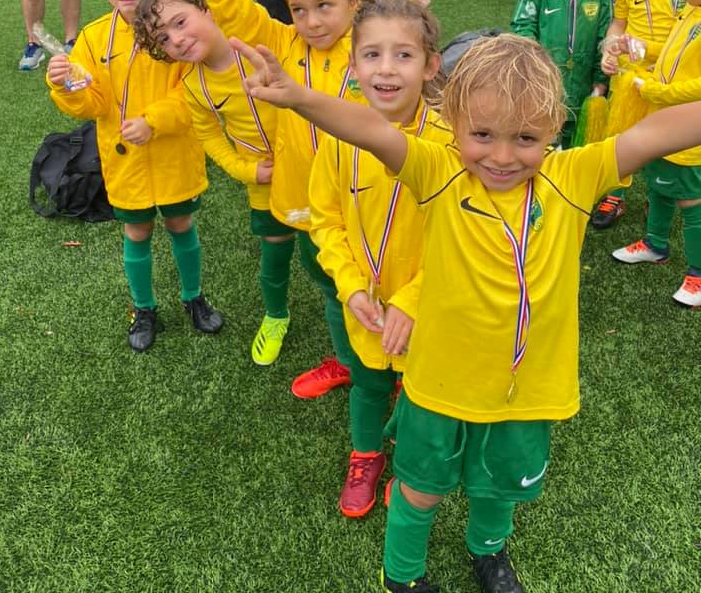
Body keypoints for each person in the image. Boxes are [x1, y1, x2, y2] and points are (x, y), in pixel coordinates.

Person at [231, 29, 701, 593]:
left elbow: (656, 131)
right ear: (453, 126)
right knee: (421, 489)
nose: (502, 157)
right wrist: (301, 98)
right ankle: (403, 573)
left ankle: (487, 550)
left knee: (498, 486)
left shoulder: (574, 175)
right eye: (482, 135)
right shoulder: (439, 171)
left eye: (526, 138)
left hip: (524, 390)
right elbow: (373, 132)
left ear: (555, 130)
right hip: (438, 383)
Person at [199, 0, 364, 397]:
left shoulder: (372, 51)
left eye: (324, 6)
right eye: (299, 8)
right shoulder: (280, 42)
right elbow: (231, 8)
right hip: (304, 200)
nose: (311, 21)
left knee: (375, 286)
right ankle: (345, 361)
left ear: (354, 1)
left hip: (367, 201)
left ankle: (390, 367)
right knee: (330, 287)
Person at [45, 0, 223, 353]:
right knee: (137, 232)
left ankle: (193, 297)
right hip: (125, 162)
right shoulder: (91, 38)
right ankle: (144, 308)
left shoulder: (175, 31)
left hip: (174, 154)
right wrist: (66, 87)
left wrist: (154, 121)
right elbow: (94, 103)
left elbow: (195, 92)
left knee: (182, 224)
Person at [309, 0, 451, 518]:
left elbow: (461, 236)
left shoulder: (449, 142)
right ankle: (366, 453)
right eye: (372, 54)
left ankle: (412, 463)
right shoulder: (338, 136)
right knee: (368, 384)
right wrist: (349, 289)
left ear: (430, 65)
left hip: (430, 310)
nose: (386, 70)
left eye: (403, 55)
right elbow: (324, 220)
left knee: (422, 395)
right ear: (353, 63)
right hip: (365, 310)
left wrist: (414, 299)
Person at [134, 0, 293, 367]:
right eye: (164, 39)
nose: (177, 40)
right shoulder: (193, 85)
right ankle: (275, 315)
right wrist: (247, 171)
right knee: (275, 250)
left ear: (205, 7)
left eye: (180, 22)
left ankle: (349, 313)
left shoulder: (255, 36)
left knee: (324, 253)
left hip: (315, 169)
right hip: (264, 183)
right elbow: (211, 140)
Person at [610, 0, 701, 309]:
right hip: (664, 119)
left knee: (691, 199)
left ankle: (697, 275)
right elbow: (672, 55)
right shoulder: (692, 12)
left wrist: (656, 92)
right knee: (659, 184)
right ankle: (655, 243)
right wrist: (643, 55)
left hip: (688, 131)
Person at [591, 0, 693, 229]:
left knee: (665, 143)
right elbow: (618, 23)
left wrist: (646, 51)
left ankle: (658, 196)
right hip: (630, 80)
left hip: (668, 82)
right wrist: (610, 48)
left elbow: (684, 43)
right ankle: (614, 194)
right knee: (620, 137)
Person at [510, 0, 611, 147]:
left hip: (584, 87)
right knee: (545, 143)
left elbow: (604, 36)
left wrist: (601, 79)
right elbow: (522, 30)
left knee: (578, 148)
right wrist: (535, 71)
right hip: (546, 86)